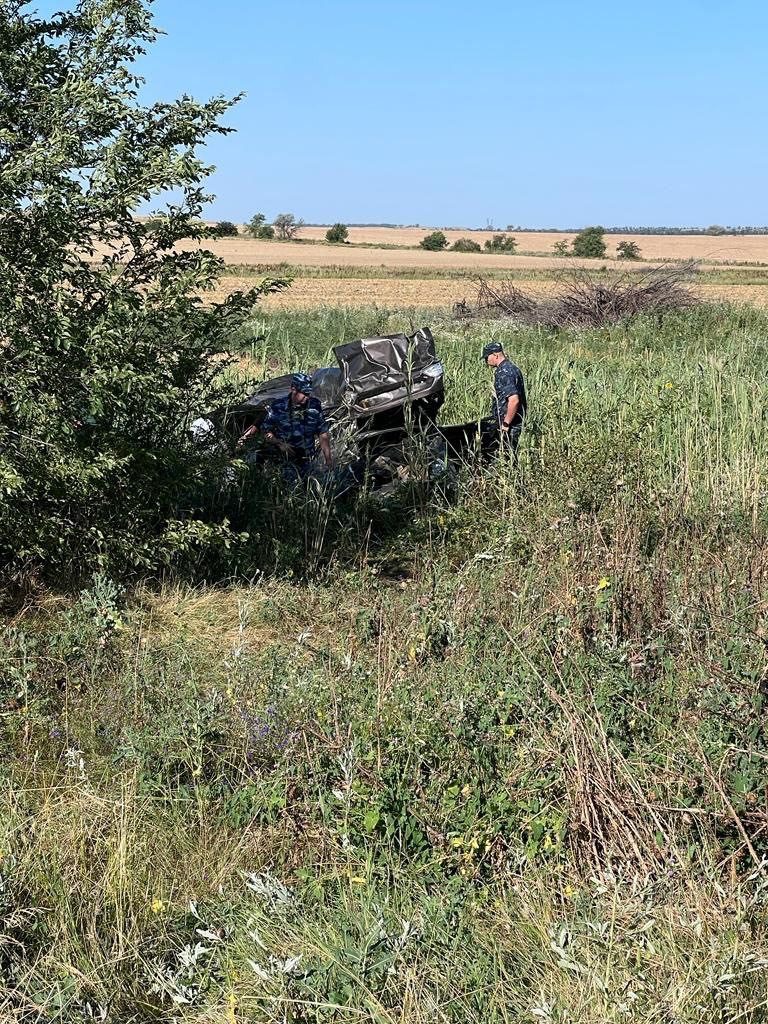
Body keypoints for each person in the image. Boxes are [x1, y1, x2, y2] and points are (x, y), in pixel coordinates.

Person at [239, 372, 333, 476]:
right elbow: (266, 431)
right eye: (304, 394)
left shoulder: (315, 406)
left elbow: (323, 432)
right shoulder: (278, 406)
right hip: (284, 462)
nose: (307, 397)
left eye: (308, 394)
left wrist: (328, 460)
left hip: (307, 461)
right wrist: (279, 443)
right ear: (293, 389)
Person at [481, 341, 527, 452]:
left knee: (507, 455)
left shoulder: (504, 372)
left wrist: (506, 424)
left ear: (495, 355)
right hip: (511, 421)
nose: (486, 360)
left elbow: (514, 400)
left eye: (487, 357)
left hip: (510, 424)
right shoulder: (512, 368)